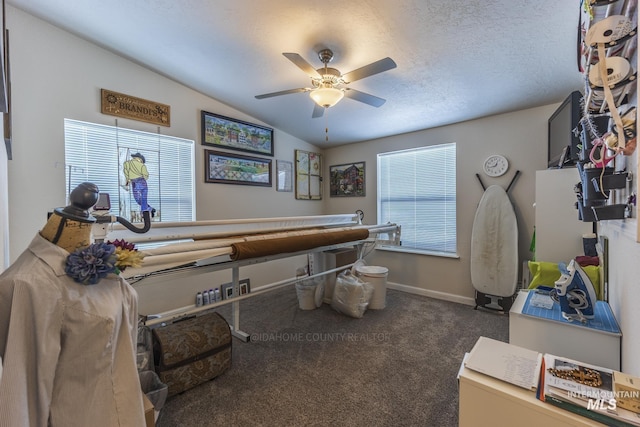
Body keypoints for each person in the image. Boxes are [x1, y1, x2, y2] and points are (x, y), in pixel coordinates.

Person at [0, 183, 145, 427]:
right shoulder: (30, 284)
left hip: (121, 400)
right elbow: (21, 398)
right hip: (82, 413)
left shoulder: (94, 260)